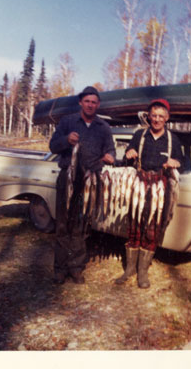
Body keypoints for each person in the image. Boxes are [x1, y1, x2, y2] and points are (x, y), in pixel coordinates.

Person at [49, 86, 115, 284]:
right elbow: (52, 145)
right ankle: (60, 269)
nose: (90, 105)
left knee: (81, 225)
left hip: (90, 181)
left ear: (98, 104)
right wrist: (65, 140)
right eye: (87, 101)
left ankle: (76, 268)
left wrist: (111, 156)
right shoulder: (68, 122)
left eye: (94, 102)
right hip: (68, 178)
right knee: (62, 224)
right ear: (80, 102)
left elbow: (110, 149)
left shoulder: (103, 127)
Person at [115, 98, 183, 288]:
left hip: (160, 186)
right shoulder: (140, 135)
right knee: (133, 225)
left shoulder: (173, 140)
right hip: (139, 183)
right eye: (154, 115)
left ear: (167, 118)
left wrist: (176, 163)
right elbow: (127, 157)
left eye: (161, 116)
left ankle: (142, 272)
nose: (157, 119)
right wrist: (129, 154)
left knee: (152, 229)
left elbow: (181, 163)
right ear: (149, 116)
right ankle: (129, 269)